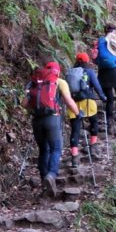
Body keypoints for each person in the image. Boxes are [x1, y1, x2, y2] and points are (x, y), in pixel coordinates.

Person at [23, 61, 78, 198]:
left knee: (43, 150)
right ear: (57, 71)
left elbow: (24, 103)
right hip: (52, 119)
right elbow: (68, 100)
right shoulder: (59, 82)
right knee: (56, 148)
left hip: (37, 121)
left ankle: (43, 181)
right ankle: (51, 175)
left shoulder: (34, 81)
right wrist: (78, 113)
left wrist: (36, 110)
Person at [90, 23, 116, 133]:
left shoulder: (98, 42)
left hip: (103, 73)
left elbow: (95, 59)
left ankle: (109, 123)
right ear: (115, 30)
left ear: (105, 31)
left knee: (109, 99)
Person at [66, 52, 106, 158]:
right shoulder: (89, 72)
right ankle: (93, 144)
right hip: (88, 101)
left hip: (74, 104)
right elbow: (97, 86)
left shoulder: (70, 73)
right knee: (94, 122)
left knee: (75, 129)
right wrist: (103, 97)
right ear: (87, 61)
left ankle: (74, 156)